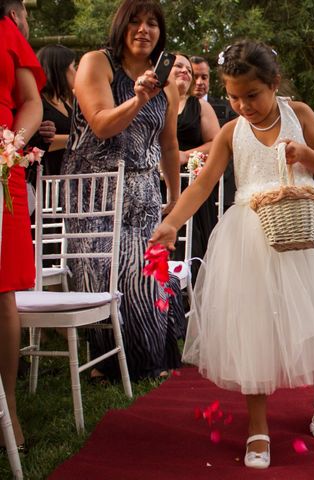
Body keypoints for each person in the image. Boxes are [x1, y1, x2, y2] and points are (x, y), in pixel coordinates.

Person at [149, 40, 314, 469]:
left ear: (274, 84)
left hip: (306, 230)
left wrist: (305, 154)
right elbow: (203, 185)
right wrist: (172, 222)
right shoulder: (230, 132)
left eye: (252, 95)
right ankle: (257, 423)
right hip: (251, 235)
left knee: (312, 312)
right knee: (253, 324)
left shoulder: (299, 114)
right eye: (233, 96)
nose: (243, 105)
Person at [61, 0, 184, 381]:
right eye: (135, 22)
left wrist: (175, 205)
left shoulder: (168, 87)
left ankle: (152, 359)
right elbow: (100, 125)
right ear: (120, 26)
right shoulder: (96, 63)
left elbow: (169, 146)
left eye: (152, 24)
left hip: (144, 194)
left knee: (149, 277)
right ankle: (106, 364)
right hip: (94, 193)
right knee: (102, 276)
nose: (144, 30)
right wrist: (139, 98)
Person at [0, 0, 46, 450]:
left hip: (2, 165)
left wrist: (12, 144)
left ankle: (7, 411)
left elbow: (30, 101)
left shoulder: (5, 30)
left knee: (2, 290)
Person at [171, 53, 220, 278]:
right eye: (179, 67)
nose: (186, 73)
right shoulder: (153, 103)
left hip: (191, 182)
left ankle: (188, 295)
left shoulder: (199, 107)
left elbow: (217, 144)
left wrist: (184, 155)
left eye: (188, 70)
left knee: (192, 245)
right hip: (156, 183)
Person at [29, 44, 76, 176]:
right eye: (73, 67)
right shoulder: (37, 103)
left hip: (66, 174)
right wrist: (76, 140)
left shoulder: (66, 102)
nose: (76, 73)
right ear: (59, 70)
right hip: (44, 175)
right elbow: (37, 141)